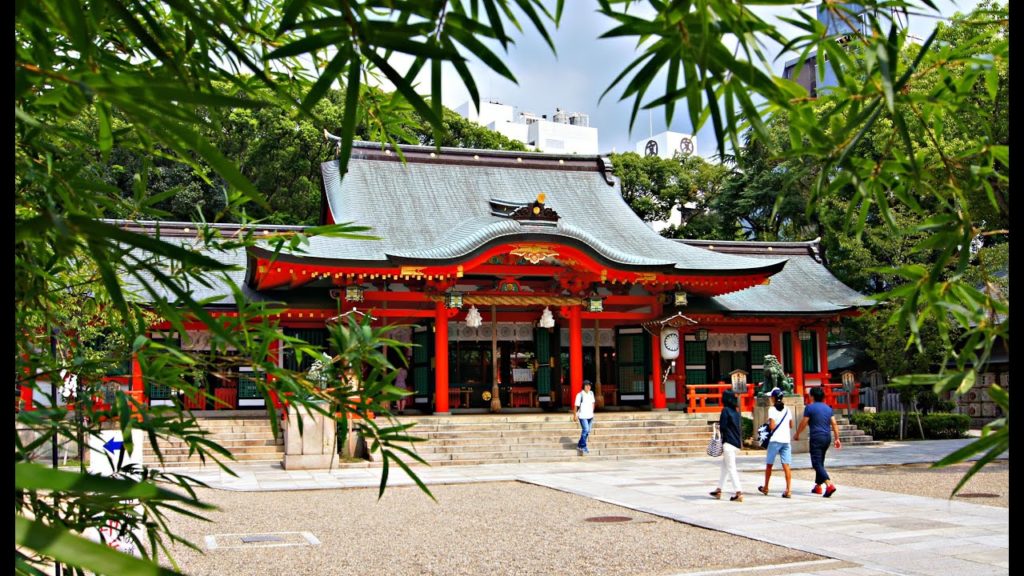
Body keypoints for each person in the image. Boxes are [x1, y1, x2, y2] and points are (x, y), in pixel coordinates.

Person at [794, 385, 842, 497]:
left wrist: (797, 434)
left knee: (816, 463)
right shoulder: (828, 408)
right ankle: (818, 486)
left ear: (812, 396)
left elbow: (804, 422)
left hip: (816, 438)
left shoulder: (810, 408)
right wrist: (837, 438)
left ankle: (829, 485)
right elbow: (834, 423)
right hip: (827, 438)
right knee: (820, 462)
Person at [758, 387, 794, 498]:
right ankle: (788, 490)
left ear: (773, 398)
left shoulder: (772, 410)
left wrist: (768, 423)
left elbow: (772, 426)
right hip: (786, 440)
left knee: (769, 464)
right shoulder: (787, 410)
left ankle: (766, 487)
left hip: (775, 440)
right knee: (786, 465)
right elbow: (791, 425)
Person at [709, 389, 743, 502]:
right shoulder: (736, 412)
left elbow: (723, 426)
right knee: (725, 467)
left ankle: (738, 492)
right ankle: (719, 489)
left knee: (731, 468)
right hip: (736, 443)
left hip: (728, 443)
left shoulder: (725, 411)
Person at [572, 380, 596, 455]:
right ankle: (583, 446)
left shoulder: (591, 393)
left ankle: (580, 445)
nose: (588, 387)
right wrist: (575, 415)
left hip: (590, 416)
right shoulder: (580, 395)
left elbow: (593, 403)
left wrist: (592, 411)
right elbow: (576, 406)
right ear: (583, 386)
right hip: (583, 416)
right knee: (585, 430)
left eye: (589, 385)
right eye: (587, 385)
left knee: (588, 431)